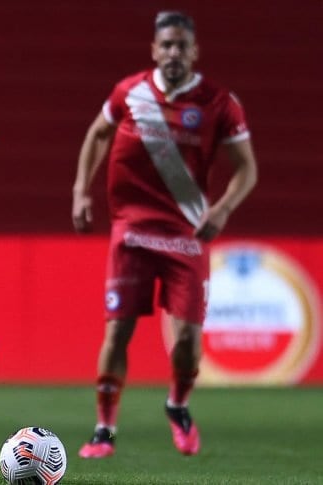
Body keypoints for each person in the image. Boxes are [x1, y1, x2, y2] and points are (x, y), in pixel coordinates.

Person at [71, 11, 258, 458]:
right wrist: (81, 191)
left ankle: (177, 405)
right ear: (155, 50)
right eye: (166, 45)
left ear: (195, 52)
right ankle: (103, 429)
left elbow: (247, 169)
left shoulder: (218, 103)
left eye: (182, 45)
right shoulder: (130, 92)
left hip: (186, 234)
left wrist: (224, 208)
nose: (174, 52)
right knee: (117, 332)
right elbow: (98, 134)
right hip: (131, 230)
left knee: (189, 345)